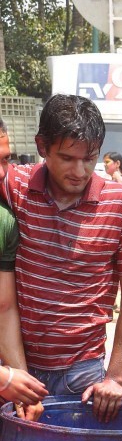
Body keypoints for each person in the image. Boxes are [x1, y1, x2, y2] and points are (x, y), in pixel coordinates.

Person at [0, 95, 122, 422]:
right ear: (42, 146)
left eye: (90, 159)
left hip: (83, 374)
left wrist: (115, 376)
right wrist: (17, 377)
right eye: (67, 158)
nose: (79, 171)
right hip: (17, 363)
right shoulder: (16, 185)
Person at [0, 117, 48, 413]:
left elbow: (4, 308)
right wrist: (5, 379)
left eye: (5, 159)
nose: (1, 173)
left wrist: (22, 387)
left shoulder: (5, 222)